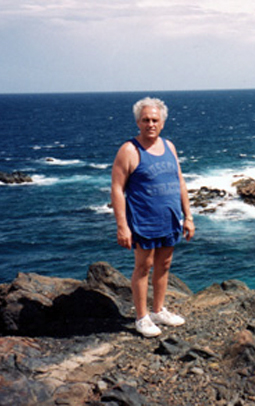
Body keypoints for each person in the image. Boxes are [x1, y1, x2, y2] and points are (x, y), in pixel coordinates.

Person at [111, 97, 195, 337]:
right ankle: (142, 317)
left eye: (155, 120)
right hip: (142, 220)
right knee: (143, 266)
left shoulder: (169, 147)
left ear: (162, 123)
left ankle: (158, 310)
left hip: (170, 219)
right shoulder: (129, 150)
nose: (150, 124)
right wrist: (122, 226)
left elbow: (179, 181)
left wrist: (188, 216)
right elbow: (117, 189)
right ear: (138, 121)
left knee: (164, 265)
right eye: (146, 120)